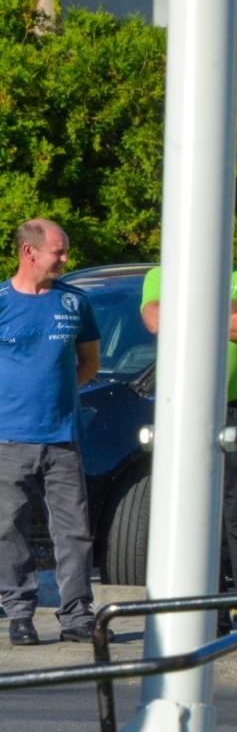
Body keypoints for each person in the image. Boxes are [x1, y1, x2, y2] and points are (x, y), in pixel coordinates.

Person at [141, 264, 237, 635]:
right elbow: (157, 321)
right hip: (184, 413)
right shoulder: (161, 274)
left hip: (234, 410)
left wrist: (190, 313)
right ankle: (210, 620)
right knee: (196, 519)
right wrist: (230, 312)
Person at [0, 219, 101, 646]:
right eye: (58, 252)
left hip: (62, 436)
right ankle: (20, 613)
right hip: (8, 437)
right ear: (30, 252)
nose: (64, 259)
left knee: (73, 529)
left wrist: (59, 399)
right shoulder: (2, 302)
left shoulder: (75, 303)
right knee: (8, 528)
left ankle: (77, 615)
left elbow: (89, 362)